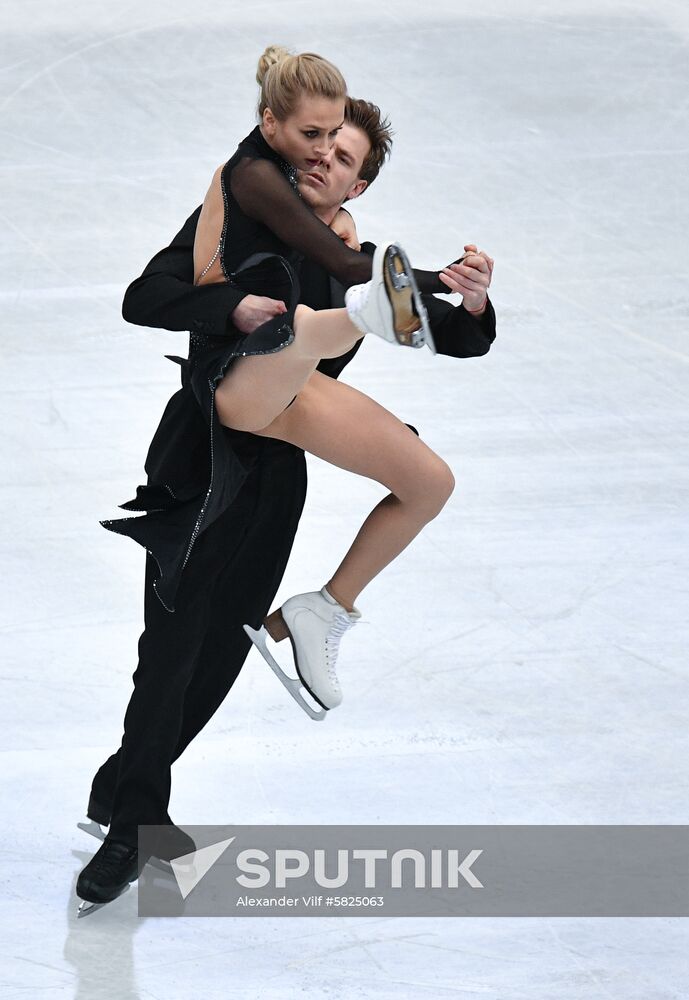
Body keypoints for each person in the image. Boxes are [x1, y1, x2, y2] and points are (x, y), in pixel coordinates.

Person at [76, 76, 495, 910]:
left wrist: (474, 303)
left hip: (275, 474)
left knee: (223, 648)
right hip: (202, 456)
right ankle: (130, 826)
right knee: (168, 649)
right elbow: (143, 297)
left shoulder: (354, 249)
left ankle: (124, 792)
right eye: (317, 144)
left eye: (341, 157)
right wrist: (229, 307)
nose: (321, 159)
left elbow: (455, 341)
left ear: (358, 184)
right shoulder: (240, 225)